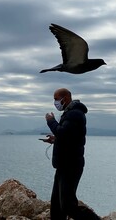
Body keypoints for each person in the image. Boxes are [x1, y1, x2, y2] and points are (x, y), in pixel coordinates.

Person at [43, 88, 101, 220]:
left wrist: (51, 121)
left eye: (57, 99)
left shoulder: (74, 114)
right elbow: (69, 137)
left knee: (68, 205)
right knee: (56, 206)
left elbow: (63, 133)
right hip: (63, 165)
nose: (55, 102)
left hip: (71, 166)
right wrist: (55, 140)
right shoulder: (70, 114)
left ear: (66, 98)